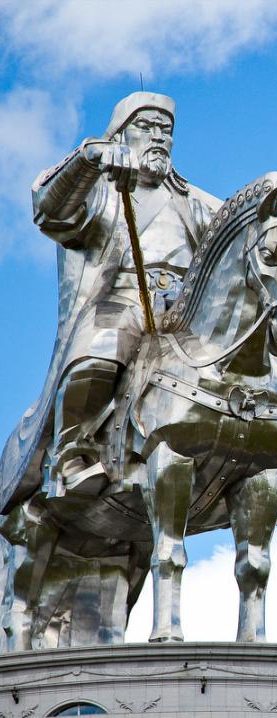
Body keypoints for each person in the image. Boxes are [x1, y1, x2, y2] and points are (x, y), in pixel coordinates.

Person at [0, 92, 221, 510]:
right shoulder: (101, 189)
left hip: (186, 309)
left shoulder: (195, 201)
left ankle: (250, 460)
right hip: (121, 299)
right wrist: (90, 158)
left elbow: (236, 235)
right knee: (101, 348)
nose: (158, 137)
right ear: (121, 132)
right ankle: (72, 454)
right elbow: (52, 211)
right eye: (146, 127)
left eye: (166, 130)